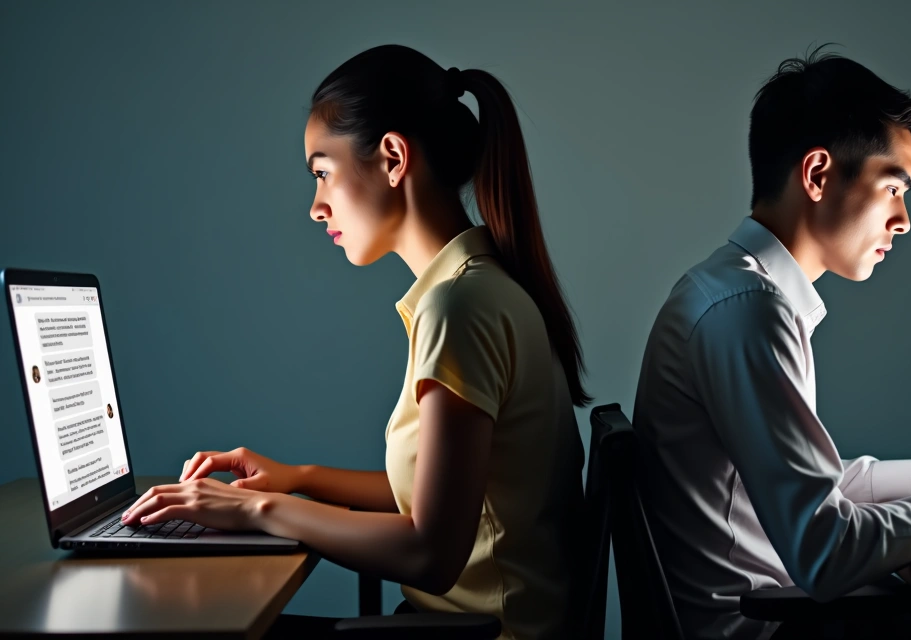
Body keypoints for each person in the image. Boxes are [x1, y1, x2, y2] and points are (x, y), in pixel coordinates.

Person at [121, 45, 589, 640]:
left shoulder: (462, 305)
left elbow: (431, 554)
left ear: (393, 157)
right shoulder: (475, 289)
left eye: (322, 173)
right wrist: (297, 477)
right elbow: (434, 499)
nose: (316, 208)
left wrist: (254, 508)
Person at [632, 49, 911, 640]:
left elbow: (794, 485)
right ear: (819, 175)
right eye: (894, 187)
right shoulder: (748, 312)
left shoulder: (730, 291)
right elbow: (824, 549)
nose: (904, 220)